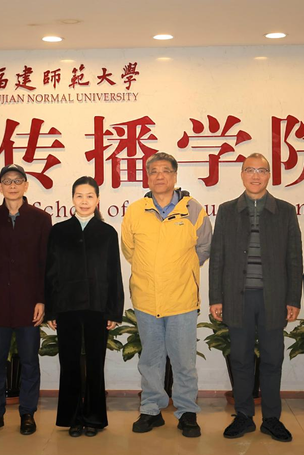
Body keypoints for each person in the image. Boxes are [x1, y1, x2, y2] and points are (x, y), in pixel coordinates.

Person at [209, 153, 302, 441]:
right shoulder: (227, 211)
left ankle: (272, 419)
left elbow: (294, 259)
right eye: (250, 170)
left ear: (269, 175)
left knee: (273, 359)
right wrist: (216, 297)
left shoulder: (285, 211)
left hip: (273, 298)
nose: (255, 175)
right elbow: (217, 257)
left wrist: (293, 299)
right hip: (238, 297)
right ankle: (243, 416)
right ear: (242, 174)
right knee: (240, 359)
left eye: (261, 170)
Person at [121, 152, 212, 438]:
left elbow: (204, 248)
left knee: (184, 361)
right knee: (150, 360)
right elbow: (129, 250)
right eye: (154, 171)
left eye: (165, 171)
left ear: (174, 176)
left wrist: (182, 271)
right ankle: (151, 409)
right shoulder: (135, 211)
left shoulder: (193, 210)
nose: (160, 176)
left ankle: (187, 412)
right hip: (147, 299)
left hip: (182, 300)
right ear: (147, 177)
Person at [0, 164, 52, 436]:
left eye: (18, 180)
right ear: (0, 187)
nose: (13, 185)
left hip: (29, 304)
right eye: (7, 181)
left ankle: (27, 413)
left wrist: (42, 300)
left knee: (29, 362)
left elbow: (46, 264)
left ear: (26, 185)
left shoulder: (41, 219)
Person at [45, 176, 124, 437]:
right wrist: (51, 309)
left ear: (98, 199)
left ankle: (94, 418)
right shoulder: (59, 231)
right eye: (79, 196)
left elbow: (114, 273)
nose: (84, 201)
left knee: (95, 363)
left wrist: (113, 310)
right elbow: (51, 272)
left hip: (97, 307)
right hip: (66, 306)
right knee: (69, 363)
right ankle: (72, 418)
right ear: (72, 199)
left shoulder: (107, 233)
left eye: (90, 196)